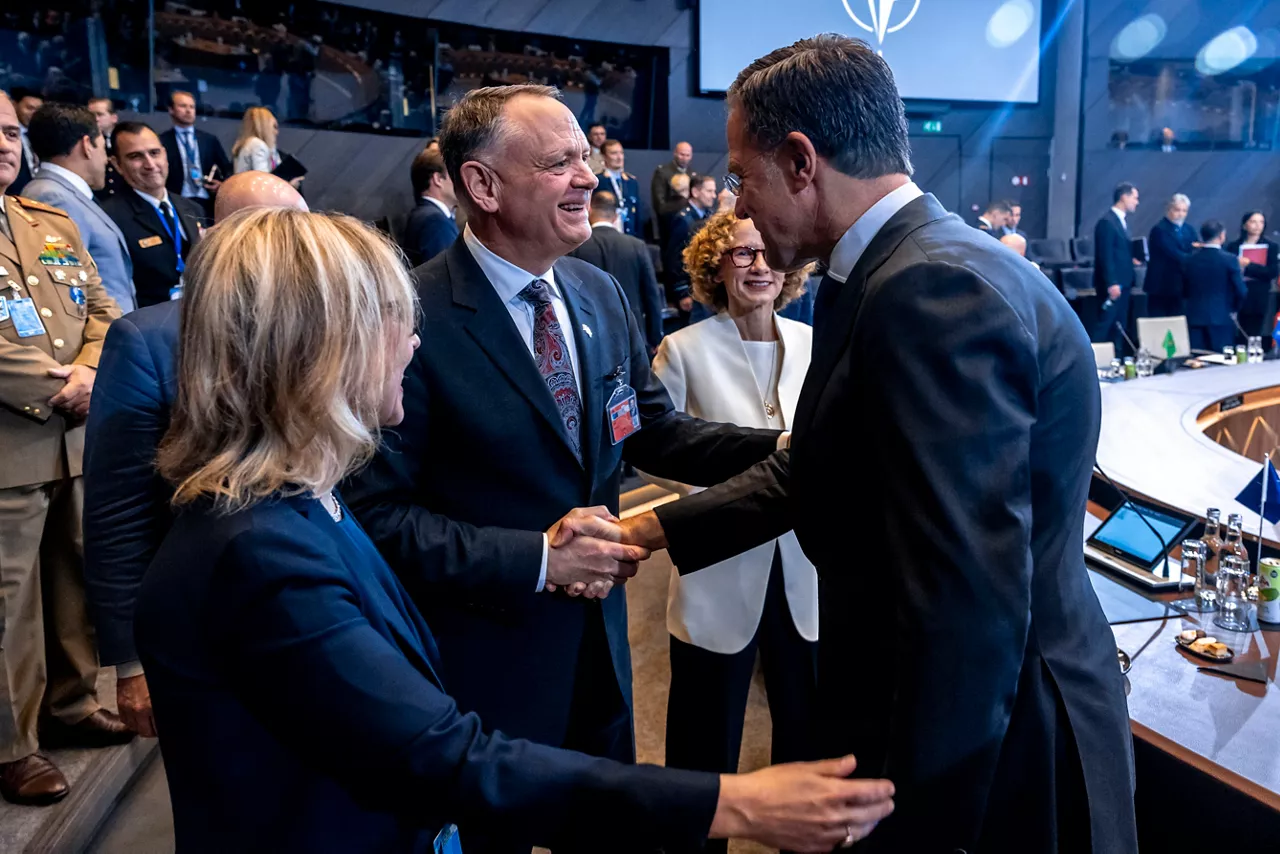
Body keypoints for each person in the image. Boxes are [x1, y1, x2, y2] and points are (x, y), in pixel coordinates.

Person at [136, 205, 895, 854]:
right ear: (315, 352)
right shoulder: (260, 553)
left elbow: (645, 430)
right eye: (392, 322)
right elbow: (440, 756)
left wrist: (804, 455)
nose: (413, 342)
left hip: (579, 665)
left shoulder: (295, 508)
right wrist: (736, 804)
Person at [615, 35, 1138, 853]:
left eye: (744, 178)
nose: (739, 208)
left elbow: (968, 602)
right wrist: (646, 531)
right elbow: (828, 466)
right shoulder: (901, 270)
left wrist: (918, 823)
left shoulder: (931, 290)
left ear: (800, 161)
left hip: (991, 763)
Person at [343, 84, 791, 854]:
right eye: (561, 163)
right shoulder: (409, 318)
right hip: (481, 676)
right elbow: (379, 519)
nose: (590, 178)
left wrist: (784, 449)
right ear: (482, 186)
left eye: (587, 158)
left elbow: (653, 430)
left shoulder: (597, 289)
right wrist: (541, 561)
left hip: (602, 660)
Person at [83, 171, 307, 741]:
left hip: (312, 615)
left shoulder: (329, 331)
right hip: (205, 627)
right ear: (211, 237)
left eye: (294, 230)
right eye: (259, 230)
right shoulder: (148, 341)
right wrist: (130, 665)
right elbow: (119, 513)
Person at [646, 211, 818, 854]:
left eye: (767, 253)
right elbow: (654, 452)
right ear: (715, 268)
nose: (758, 265)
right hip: (718, 565)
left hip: (808, 565)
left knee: (809, 725)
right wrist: (716, 505)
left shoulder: (812, 342)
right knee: (702, 735)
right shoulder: (683, 349)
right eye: (741, 254)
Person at [0, 91, 129, 807]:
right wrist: (60, 386)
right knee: (8, 605)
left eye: (11, 131)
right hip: (9, 443)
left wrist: (90, 371)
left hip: (72, 437)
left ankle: (72, 708)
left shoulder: (45, 221)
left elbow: (103, 311)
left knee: (74, 580)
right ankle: (11, 747)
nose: (5, 143)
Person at [23, 103, 136, 312]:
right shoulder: (52, 197)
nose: (106, 160)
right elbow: (66, 287)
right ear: (87, 145)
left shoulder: (62, 193)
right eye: (103, 147)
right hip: (100, 337)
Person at [100, 121, 203, 307]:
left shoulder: (193, 209)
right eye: (135, 156)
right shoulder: (109, 217)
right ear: (117, 164)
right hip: (148, 325)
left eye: (154, 153)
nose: (150, 164)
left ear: (165, 154)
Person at [568, 190, 664, 354]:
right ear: (615, 216)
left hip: (590, 335)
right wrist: (655, 336)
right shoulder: (637, 245)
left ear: (589, 211)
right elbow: (651, 295)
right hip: (633, 332)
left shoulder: (576, 246)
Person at [159, 90, 231, 219]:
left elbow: (227, 167)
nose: (188, 110)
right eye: (183, 106)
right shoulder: (162, 141)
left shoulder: (209, 139)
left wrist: (222, 185)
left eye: (192, 107)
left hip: (205, 198)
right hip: (177, 198)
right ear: (171, 109)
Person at [1183, 220, 1246, 352]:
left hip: (1194, 316)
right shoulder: (1230, 259)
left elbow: (1183, 289)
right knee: (1222, 363)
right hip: (1222, 317)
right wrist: (1234, 308)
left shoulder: (1189, 260)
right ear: (1222, 236)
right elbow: (1241, 290)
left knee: (1197, 360)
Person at [1094, 182, 1140, 353]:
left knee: (1119, 327)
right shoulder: (1107, 222)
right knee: (1105, 324)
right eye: (1135, 198)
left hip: (1125, 281)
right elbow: (1105, 255)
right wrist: (1111, 282)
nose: (1137, 202)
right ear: (1124, 197)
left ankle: (1117, 360)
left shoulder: (1121, 221)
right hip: (1114, 284)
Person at [667, 174, 718, 318]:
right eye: (709, 191)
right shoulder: (683, 219)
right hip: (689, 290)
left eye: (714, 191)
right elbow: (675, 258)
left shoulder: (708, 215)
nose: (713, 196)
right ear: (695, 192)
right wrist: (682, 292)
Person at [1225, 211, 1280, 342]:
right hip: (1237, 292)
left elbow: (1271, 272)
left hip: (1258, 294)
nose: (1257, 226)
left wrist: (1249, 266)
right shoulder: (1233, 246)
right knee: (1236, 329)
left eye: (1261, 222)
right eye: (1253, 222)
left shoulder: (1272, 247)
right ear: (1245, 225)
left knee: (1254, 329)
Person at [402, 147, 458, 267]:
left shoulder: (427, 215)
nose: (462, 181)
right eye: (454, 174)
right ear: (438, 179)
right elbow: (448, 275)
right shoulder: (435, 222)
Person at [1145, 194, 1195, 317]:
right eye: (1177, 210)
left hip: (1180, 286)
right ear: (1169, 209)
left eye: (1184, 211)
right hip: (1161, 285)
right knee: (1159, 322)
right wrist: (1195, 260)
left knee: (1178, 322)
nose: (1181, 214)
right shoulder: (1159, 230)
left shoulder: (1189, 229)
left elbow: (1195, 247)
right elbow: (1174, 253)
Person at [595, 138, 639, 236]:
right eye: (614, 153)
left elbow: (637, 216)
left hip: (629, 236)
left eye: (621, 153)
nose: (619, 157)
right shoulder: (598, 181)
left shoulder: (631, 182)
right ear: (604, 156)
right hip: (606, 236)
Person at [652, 141, 694, 240]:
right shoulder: (662, 172)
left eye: (687, 155)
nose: (684, 158)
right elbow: (659, 203)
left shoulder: (692, 173)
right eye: (682, 154)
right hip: (669, 222)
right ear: (675, 153)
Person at [86, 96, 125, 201]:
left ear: (114, 118)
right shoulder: (85, 144)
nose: (95, 119)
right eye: (91, 115)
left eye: (100, 114)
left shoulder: (123, 140)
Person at [6, 87, 42, 196]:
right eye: (30, 108)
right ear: (14, 105)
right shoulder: (5, 135)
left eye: (38, 110)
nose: (34, 113)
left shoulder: (42, 134)